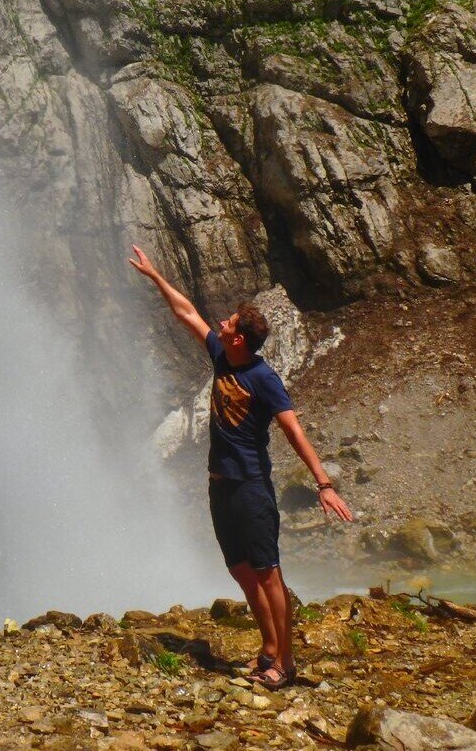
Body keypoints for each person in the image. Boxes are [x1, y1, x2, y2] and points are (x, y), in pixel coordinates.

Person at [128, 245, 353, 690]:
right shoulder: (221, 355)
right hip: (221, 486)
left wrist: (324, 484)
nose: (221, 323)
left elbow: (294, 431)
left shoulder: (262, 378)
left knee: (268, 573)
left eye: (229, 323)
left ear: (238, 338)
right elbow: (187, 313)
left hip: (251, 485)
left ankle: (284, 662)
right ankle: (269, 648)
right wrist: (156, 275)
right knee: (242, 571)